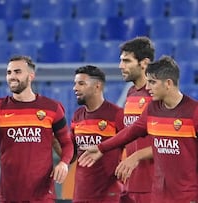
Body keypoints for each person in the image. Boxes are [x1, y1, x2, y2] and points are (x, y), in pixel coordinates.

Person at [78, 56, 198, 203]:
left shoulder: (194, 112)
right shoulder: (153, 109)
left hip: (188, 197)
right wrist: (101, 147)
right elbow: (131, 131)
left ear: (168, 83)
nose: (148, 88)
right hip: (158, 196)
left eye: (152, 82)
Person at [0, 55, 74, 202]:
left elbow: (67, 143)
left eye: (17, 72)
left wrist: (64, 163)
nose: (12, 76)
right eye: (9, 72)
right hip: (9, 196)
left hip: (43, 197)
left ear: (31, 76)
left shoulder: (52, 107)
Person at [68, 65, 124, 202]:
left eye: (81, 83)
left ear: (97, 86)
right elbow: (71, 155)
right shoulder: (77, 115)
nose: (75, 88)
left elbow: (132, 146)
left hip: (109, 195)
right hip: (81, 195)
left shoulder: (117, 114)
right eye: (75, 84)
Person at [115, 36, 155, 203]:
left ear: (144, 63)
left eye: (127, 61)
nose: (120, 66)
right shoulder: (131, 93)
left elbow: (171, 142)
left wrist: (137, 156)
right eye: (121, 61)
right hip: (132, 184)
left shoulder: (158, 95)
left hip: (154, 185)